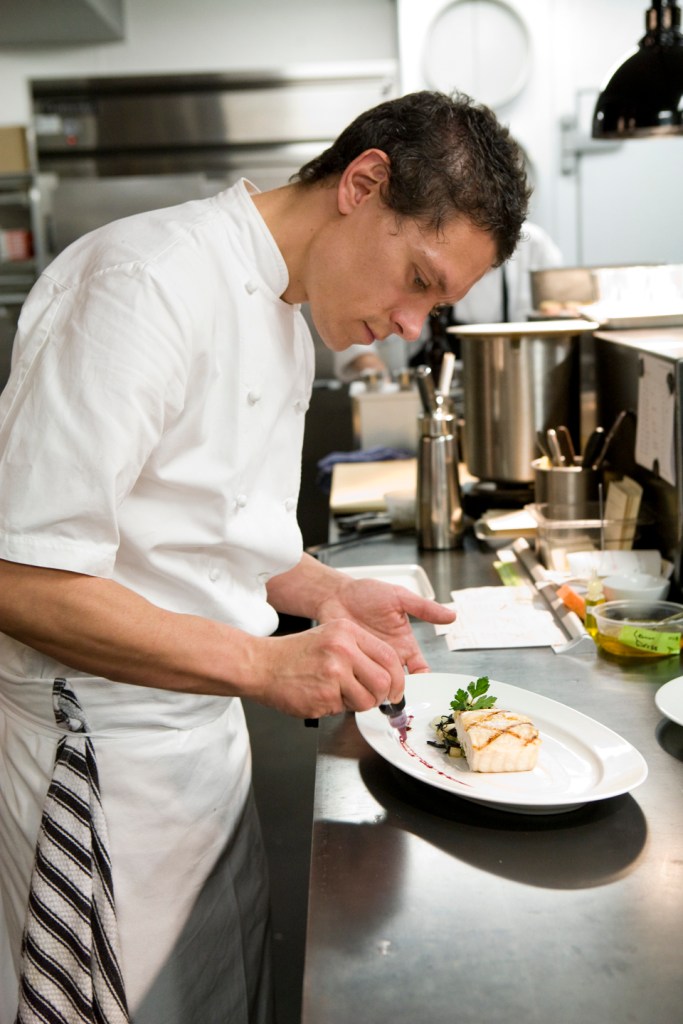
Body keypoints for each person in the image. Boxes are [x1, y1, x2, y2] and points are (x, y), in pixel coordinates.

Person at [0, 90, 529, 1024]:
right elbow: (23, 578)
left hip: (200, 747)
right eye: (418, 278)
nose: (412, 324)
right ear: (362, 183)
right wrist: (263, 661)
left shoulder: (289, 312)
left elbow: (216, 537)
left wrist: (328, 593)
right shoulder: (143, 284)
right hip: (96, 759)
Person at [334, 219, 562, 380]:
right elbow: (354, 323)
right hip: (427, 392)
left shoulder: (534, 246)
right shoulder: (428, 241)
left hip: (509, 389)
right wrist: (374, 374)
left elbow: (556, 318)